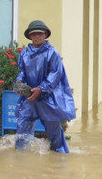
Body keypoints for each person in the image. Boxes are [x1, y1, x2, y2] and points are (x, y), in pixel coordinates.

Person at [15, 20, 76, 153]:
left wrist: (42, 88)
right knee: (22, 128)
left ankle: (60, 158)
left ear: (45, 35)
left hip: (48, 99)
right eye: (34, 34)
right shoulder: (24, 53)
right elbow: (22, 72)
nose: (37, 36)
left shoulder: (52, 53)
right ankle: (20, 158)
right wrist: (19, 83)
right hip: (30, 98)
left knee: (54, 133)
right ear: (30, 36)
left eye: (40, 33)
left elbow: (56, 73)